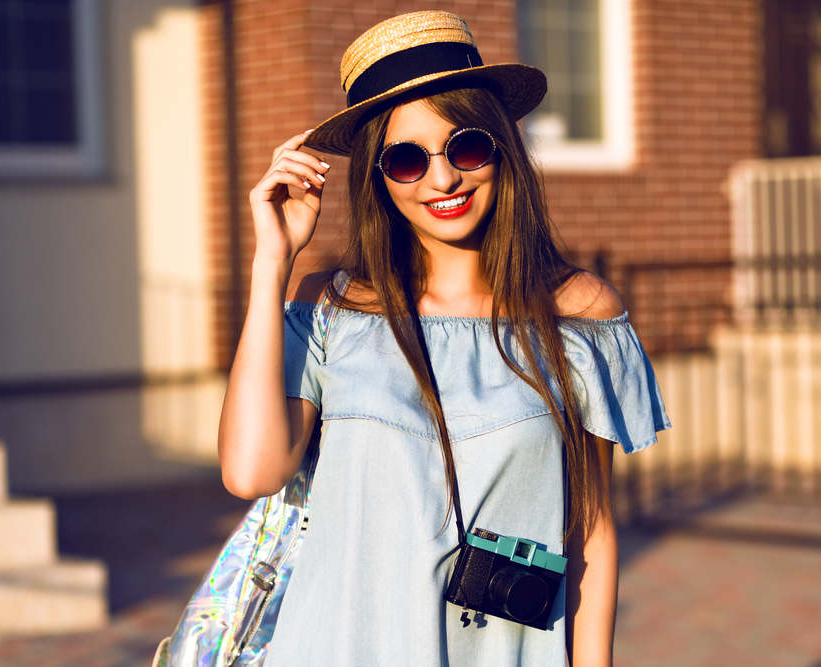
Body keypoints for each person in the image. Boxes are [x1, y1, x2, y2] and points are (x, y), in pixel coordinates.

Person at [217, 11, 670, 667]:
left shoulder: (577, 312)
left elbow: (591, 527)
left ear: (502, 148)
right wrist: (273, 264)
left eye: (466, 146)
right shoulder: (331, 306)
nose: (443, 179)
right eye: (406, 159)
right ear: (376, 176)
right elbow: (250, 469)